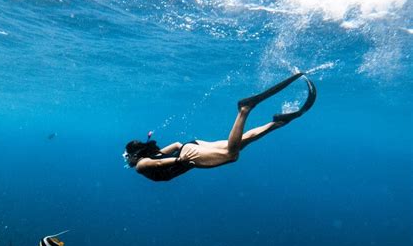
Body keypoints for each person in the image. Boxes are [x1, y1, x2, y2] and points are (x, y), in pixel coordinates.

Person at [123, 72, 316, 182]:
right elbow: (174, 145)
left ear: (134, 156)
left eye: (128, 157)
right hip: (191, 147)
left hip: (188, 154)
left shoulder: (141, 165)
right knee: (239, 143)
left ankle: (244, 110)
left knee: (231, 155)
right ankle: (278, 122)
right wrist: (179, 154)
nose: (128, 161)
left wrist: (179, 160)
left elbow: (157, 164)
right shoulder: (149, 155)